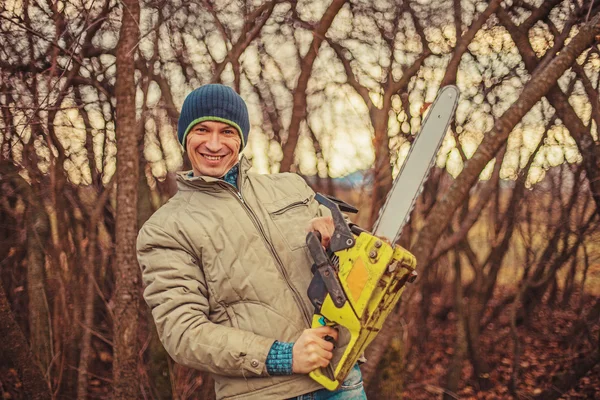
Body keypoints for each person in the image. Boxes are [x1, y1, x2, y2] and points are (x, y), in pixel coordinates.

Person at [137, 84, 367, 400]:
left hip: (342, 381)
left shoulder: (291, 188)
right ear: (185, 137)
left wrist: (333, 235)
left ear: (241, 139)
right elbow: (183, 332)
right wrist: (283, 356)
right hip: (265, 392)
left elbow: (355, 261)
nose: (214, 143)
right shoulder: (166, 228)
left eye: (227, 131)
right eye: (202, 129)